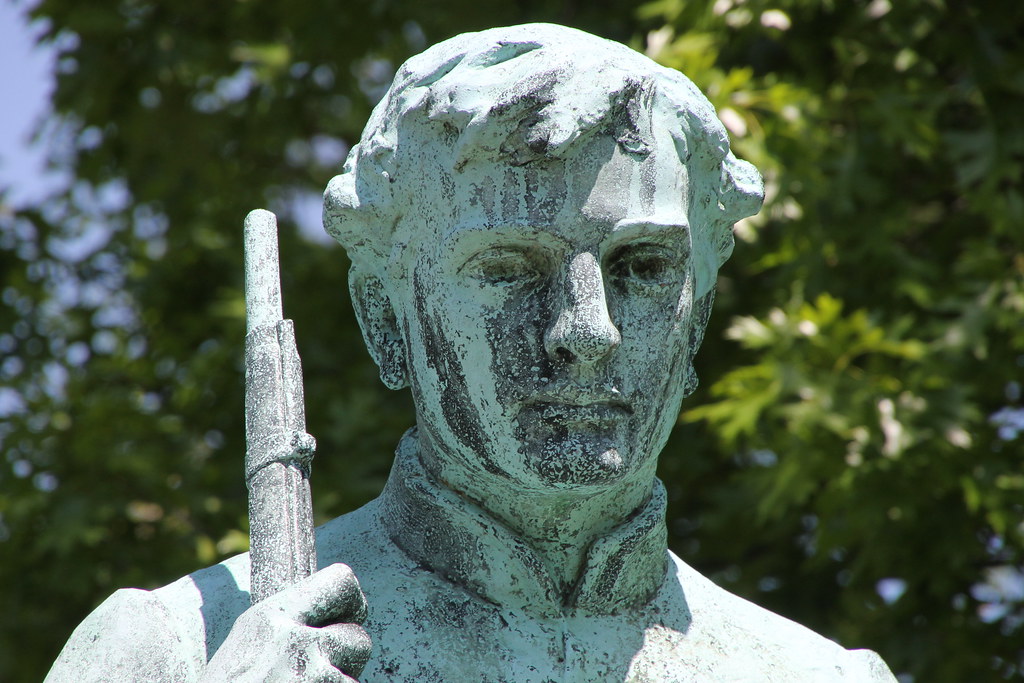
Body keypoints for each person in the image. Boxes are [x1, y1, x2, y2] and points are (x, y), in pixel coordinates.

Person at [48, 24, 897, 682]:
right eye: (506, 268)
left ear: (701, 313)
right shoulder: (173, 651)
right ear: (385, 319)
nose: (586, 330)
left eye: (643, 266)